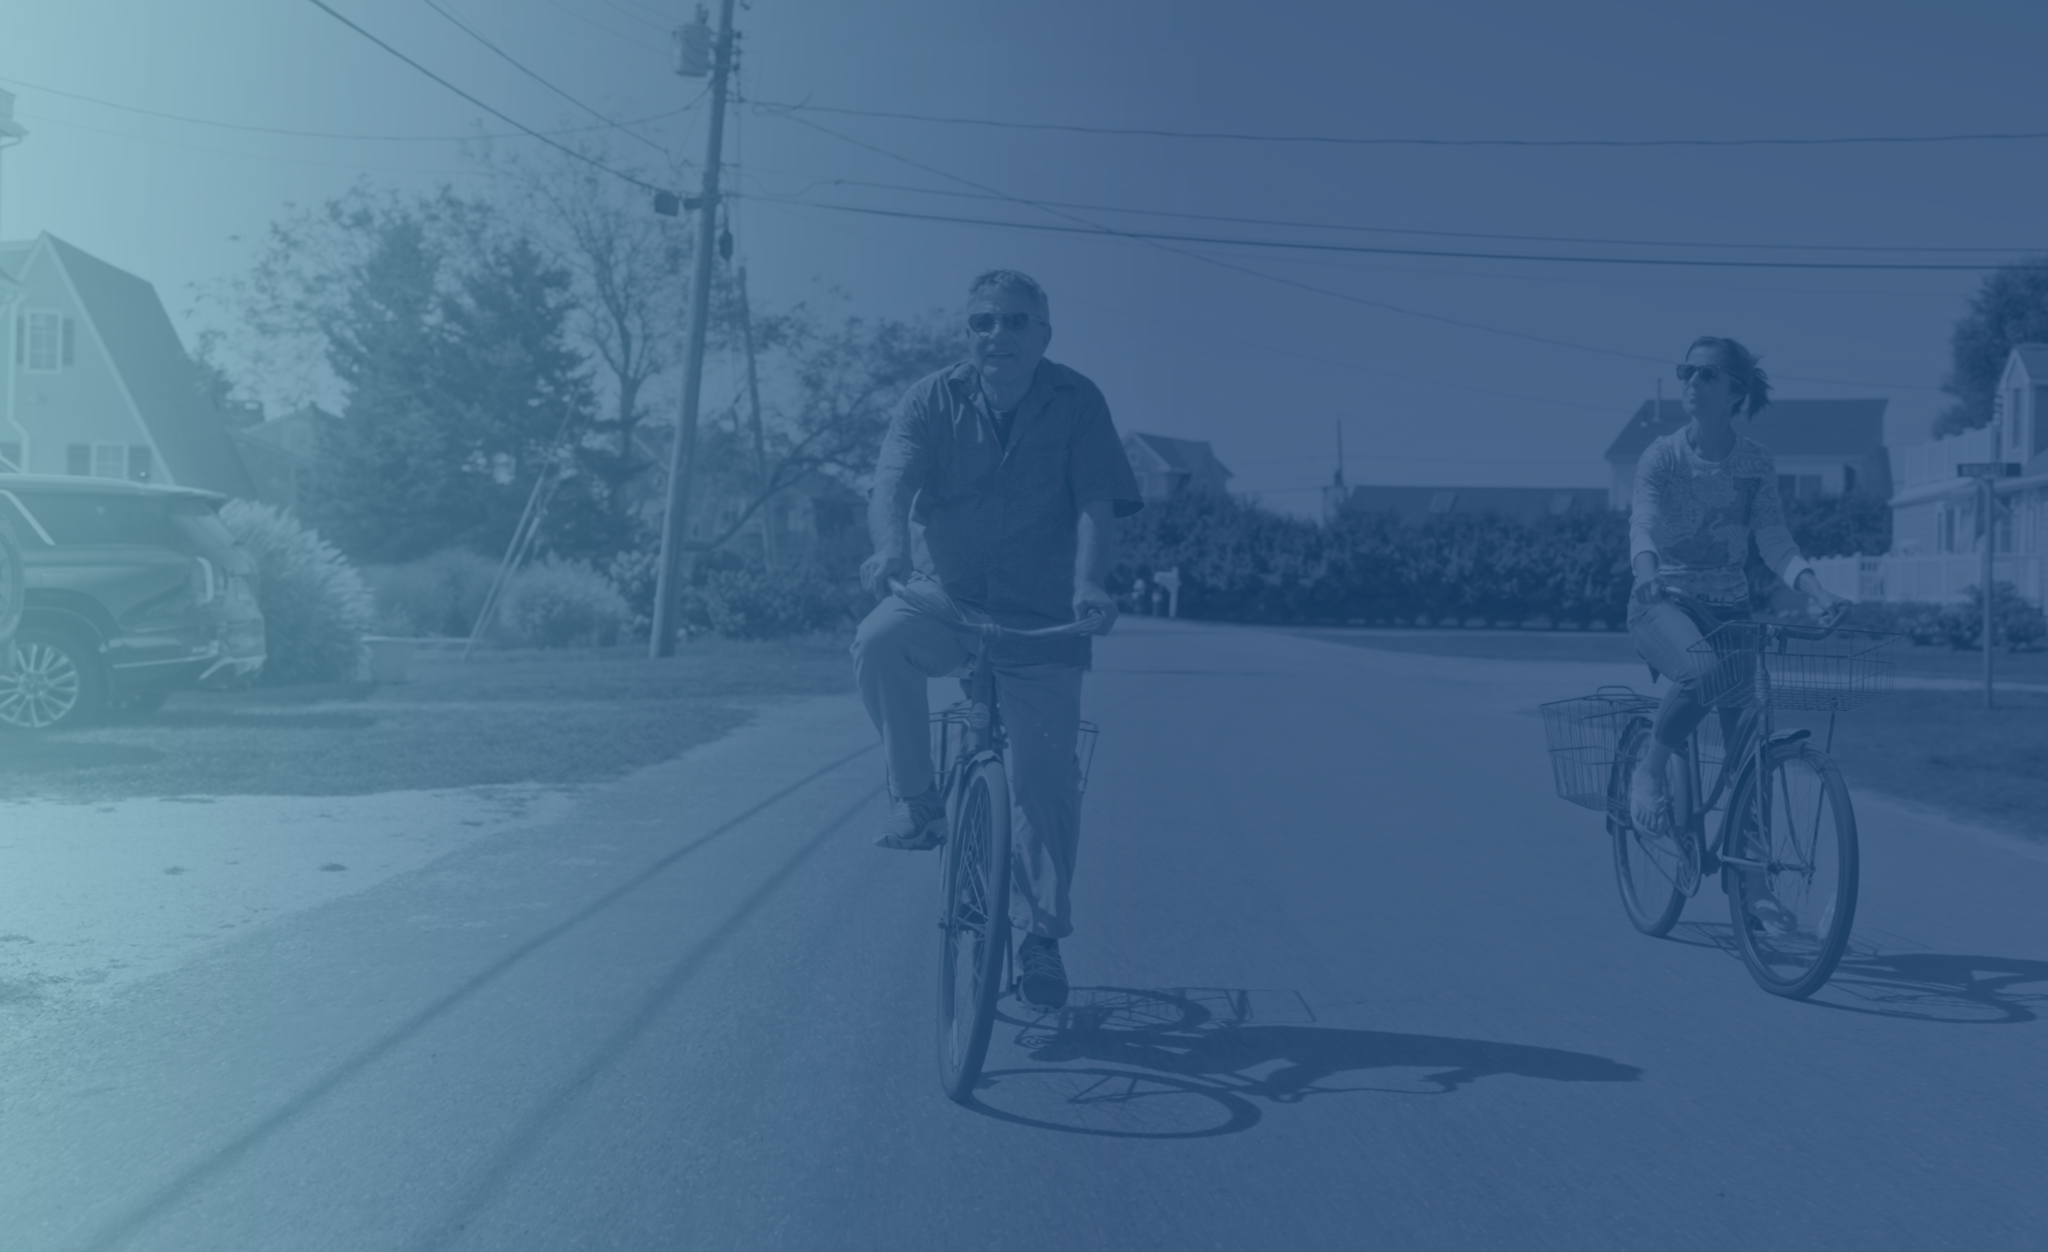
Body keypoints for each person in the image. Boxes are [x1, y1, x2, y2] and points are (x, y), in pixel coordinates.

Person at [852, 269, 1144, 1010]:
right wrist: (889, 549)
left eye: (1016, 321)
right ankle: (919, 802)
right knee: (880, 639)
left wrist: (1090, 585)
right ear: (968, 333)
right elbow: (892, 483)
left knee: (1044, 780)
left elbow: (1097, 501)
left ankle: (1041, 937)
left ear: (1043, 334)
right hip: (948, 598)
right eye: (983, 321)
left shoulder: (1078, 401)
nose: (998, 334)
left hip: (1043, 616)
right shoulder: (930, 399)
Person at [1628, 336, 1848, 839]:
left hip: (1730, 611)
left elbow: (1774, 541)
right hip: (1663, 602)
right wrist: (1646, 573)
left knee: (1751, 747)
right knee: (1701, 671)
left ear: (1736, 391)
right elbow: (1645, 523)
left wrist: (1819, 592)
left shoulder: (1755, 463)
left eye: (1706, 374)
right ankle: (1650, 768)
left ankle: (1751, 869)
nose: (1692, 381)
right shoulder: (1662, 457)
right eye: (1686, 371)